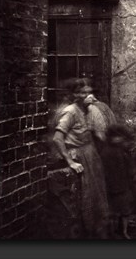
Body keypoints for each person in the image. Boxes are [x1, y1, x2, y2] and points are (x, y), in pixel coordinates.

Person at [52, 78, 110, 239]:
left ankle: (98, 227)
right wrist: (70, 161)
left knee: (97, 191)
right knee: (84, 194)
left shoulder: (89, 110)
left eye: (89, 92)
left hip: (90, 154)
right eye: (83, 92)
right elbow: (57, 138)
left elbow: (97, 132)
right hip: (78, 154)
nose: (87, 95)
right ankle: (85, 231)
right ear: (75, 95)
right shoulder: (70, 111)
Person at [100, 124, 136, 239]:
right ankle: (113, 230)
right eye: (115, 137)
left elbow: (128, 167)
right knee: (114, 210)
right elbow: (105, 171)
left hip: (123, 185)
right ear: (110, 138)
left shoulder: (122, 150)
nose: (119, 139)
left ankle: (124, 230)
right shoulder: (107, 152)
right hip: (112, 185)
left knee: (125, 209)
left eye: (120, 137)